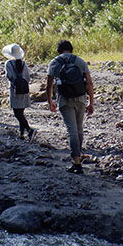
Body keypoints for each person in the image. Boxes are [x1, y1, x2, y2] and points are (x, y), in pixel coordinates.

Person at [45, 40, 94, 173]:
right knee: (79, 129)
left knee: (71, 130)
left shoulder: (54, 62)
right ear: (71, 49)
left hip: (65, 100)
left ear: (58, 50)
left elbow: (49, 85)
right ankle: (79, 154)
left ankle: (76, 162)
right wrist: (91, 102)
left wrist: (50, 102)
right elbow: (89, 82)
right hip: (81, 98)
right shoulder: (80, 61)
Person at [3, 43, 36, 142]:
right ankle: (22, 134)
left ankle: (29, 130)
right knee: (21, 112)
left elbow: (9, 76)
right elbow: (28, 77)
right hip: (24, 90)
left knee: (17, 114)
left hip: (15, 90)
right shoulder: (23, 63)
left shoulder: (8, 63)